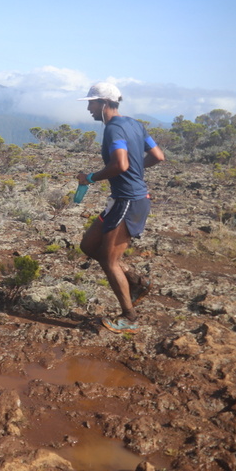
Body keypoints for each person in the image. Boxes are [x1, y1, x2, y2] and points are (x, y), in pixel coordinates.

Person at [76, 82, 165, 334]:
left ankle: (129, 317)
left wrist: (90, 178)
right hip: (122, 200)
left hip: (129, 201)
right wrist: (136, 169)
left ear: (104, 103)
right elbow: (158, 156)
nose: (89, 109)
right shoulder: (135, 124)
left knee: (109, 261)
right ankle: (136, 282)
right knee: (89, 245)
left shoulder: (113, 129)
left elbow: (121, 165)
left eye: (91, 103)